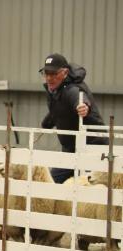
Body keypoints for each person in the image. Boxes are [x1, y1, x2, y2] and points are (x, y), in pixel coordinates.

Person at [40, 53, 107, 183]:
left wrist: (83, 107)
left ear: (64, 73)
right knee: (52, 184)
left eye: (53, 74)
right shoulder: (55, 90)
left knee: (87, 188)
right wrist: (45, 124)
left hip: (91, 148)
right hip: (71, 150)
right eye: (46, 73)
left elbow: (80, 100)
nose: (49, 78)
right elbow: (59, 111)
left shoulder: (72, 90)